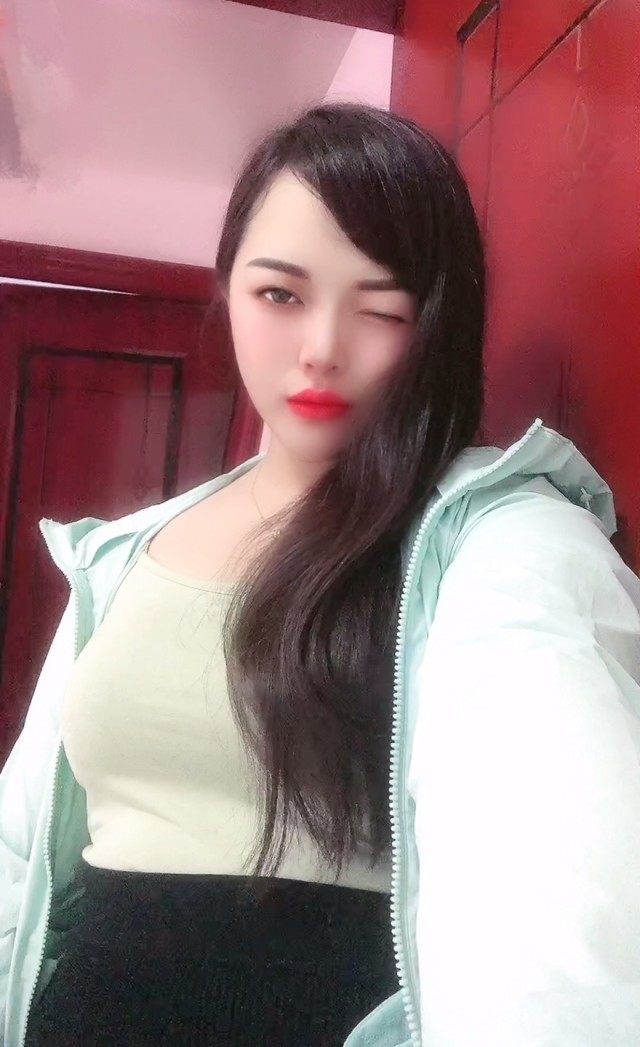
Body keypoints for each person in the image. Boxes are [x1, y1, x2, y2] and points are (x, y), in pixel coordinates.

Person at [1, 101, 640, 1047]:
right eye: (279, 294)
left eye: (381, 309)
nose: (322, 350)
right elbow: (20, 850)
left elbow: (561, 926)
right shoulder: (122, 551)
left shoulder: (503, 542)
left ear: (437, 325)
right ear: (226, 287)